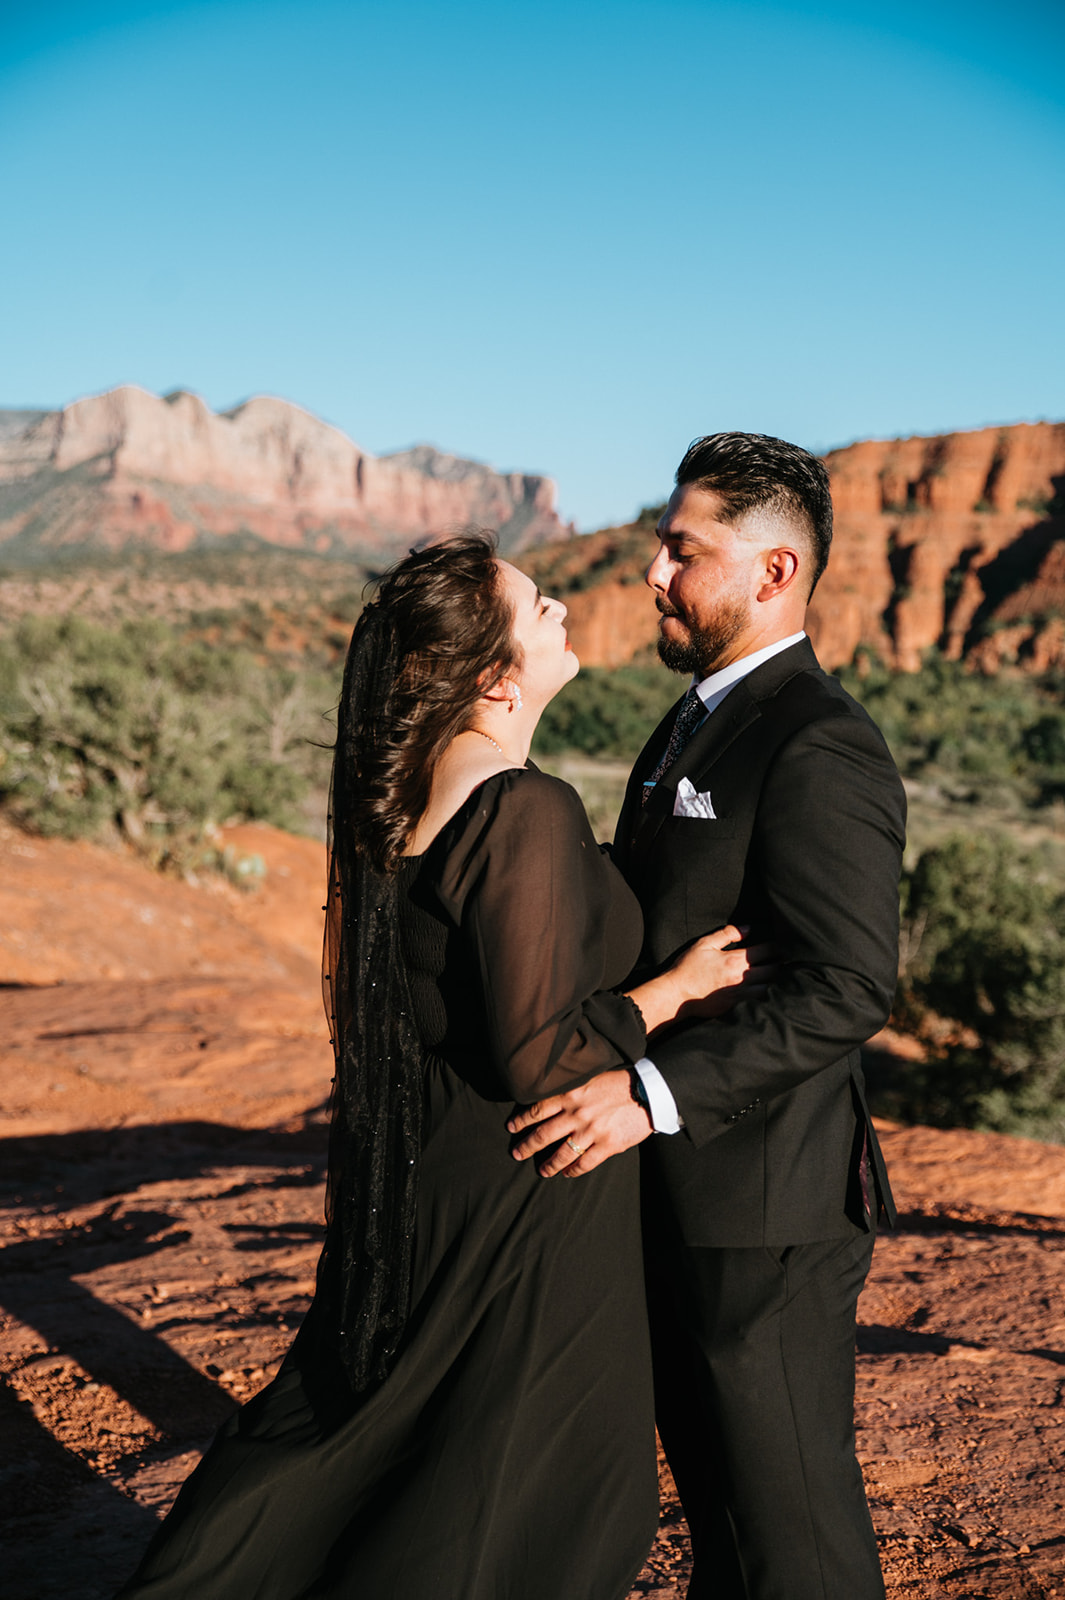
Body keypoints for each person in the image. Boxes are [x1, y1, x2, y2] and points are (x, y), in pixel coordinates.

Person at [116, 533, 766, 1600]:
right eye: (538, 604)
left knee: (390, 1441)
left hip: (438, 1180)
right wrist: (678, 989)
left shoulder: (414, 794)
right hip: (531, 1198)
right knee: (542, 1496)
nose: (561, 607)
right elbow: (539, 1050)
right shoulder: (522, 807)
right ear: (499, 675)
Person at [509, 434, 907, 1599]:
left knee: (795, 1537)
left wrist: (648, 1095)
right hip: (685, 1197)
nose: (652, 572)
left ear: (773, 573)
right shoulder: (694, 720)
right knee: (726, 1523)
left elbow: (846, 984)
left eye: (684, 550)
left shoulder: (820, 742)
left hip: (766, 1214)